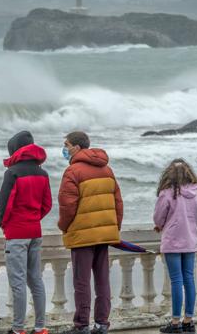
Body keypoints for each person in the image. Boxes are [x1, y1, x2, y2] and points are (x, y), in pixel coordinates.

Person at [58, 131, 123, 334]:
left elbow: (67, 205)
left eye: (67, 145)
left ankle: (82, 325)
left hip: (82, 236)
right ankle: (102, 323)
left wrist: (63, 226)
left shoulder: (72, 172)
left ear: (77, 147)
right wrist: (114, 227)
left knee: (81, 281)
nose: (65, 149)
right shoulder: (107, 169)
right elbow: (118, 202)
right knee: (102, 279)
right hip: (103, 235)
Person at [0, 130, 52, 334]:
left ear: (14, 149)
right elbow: (47, 204)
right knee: (35, 279)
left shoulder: (12, 172)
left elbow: (4, 205)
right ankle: (40, 328)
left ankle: (18, 328)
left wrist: (5, 225)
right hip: (35, 232)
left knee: (18, 282)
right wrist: (33, 219)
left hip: (16, 234)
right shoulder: (43, 173)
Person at [153, 159, 197, 333]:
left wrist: (160, 226)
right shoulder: (195, 192)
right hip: (190, 239)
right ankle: (188, 320)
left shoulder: (167, 193)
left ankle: (175, 322)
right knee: (189, 279)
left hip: (173, 240)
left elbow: (159, 217)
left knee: (176, 281)